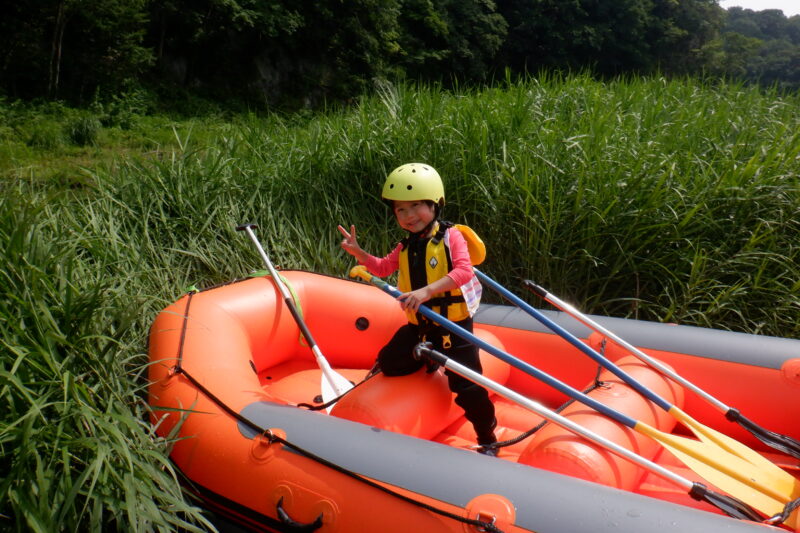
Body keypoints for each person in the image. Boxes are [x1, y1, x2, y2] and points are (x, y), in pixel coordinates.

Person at [337, 162, 498, 455]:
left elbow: (464, 271)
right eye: (400, 210)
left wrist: (426, 292)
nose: (409, 216)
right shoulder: (406, 246)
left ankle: (488, 437)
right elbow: (384, 267)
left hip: (453, 327)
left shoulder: (452, 238)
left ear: (435, 204)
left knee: (468, 388)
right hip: (420, 326)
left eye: (415, 206)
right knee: (389, 362)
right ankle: (428, 357)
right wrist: (359, 253)